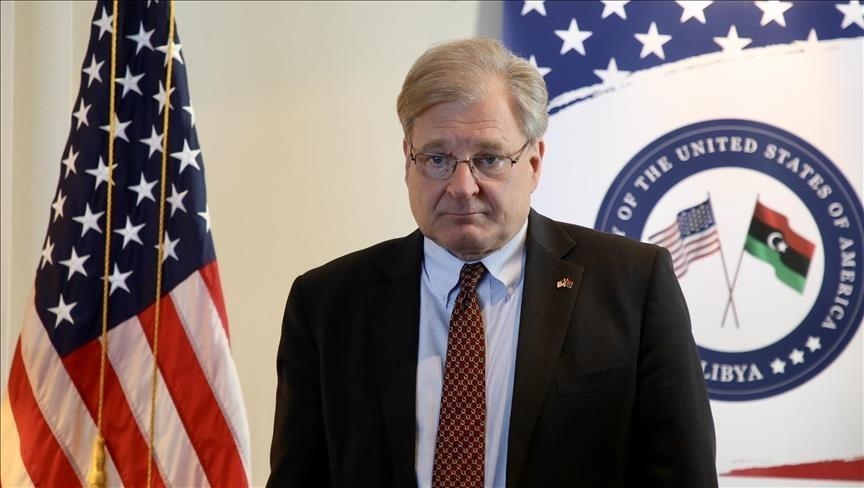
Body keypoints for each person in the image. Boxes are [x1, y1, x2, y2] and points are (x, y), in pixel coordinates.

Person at [268, 38, 717, 488]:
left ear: (534, 162)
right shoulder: (326, 304)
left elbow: (683, 476)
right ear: (408, 161)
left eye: (489, 159)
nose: (463, 187)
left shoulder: (633, 285)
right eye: (438, 158)